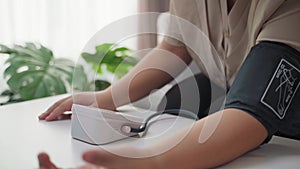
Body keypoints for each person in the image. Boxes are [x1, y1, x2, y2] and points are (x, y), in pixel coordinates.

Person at [38, 0, 300, 168]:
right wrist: (105, 98)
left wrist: (152, 161)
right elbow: (175, 47)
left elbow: (251, 112)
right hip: (237, 97)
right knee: (175, 100)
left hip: (287, 129)